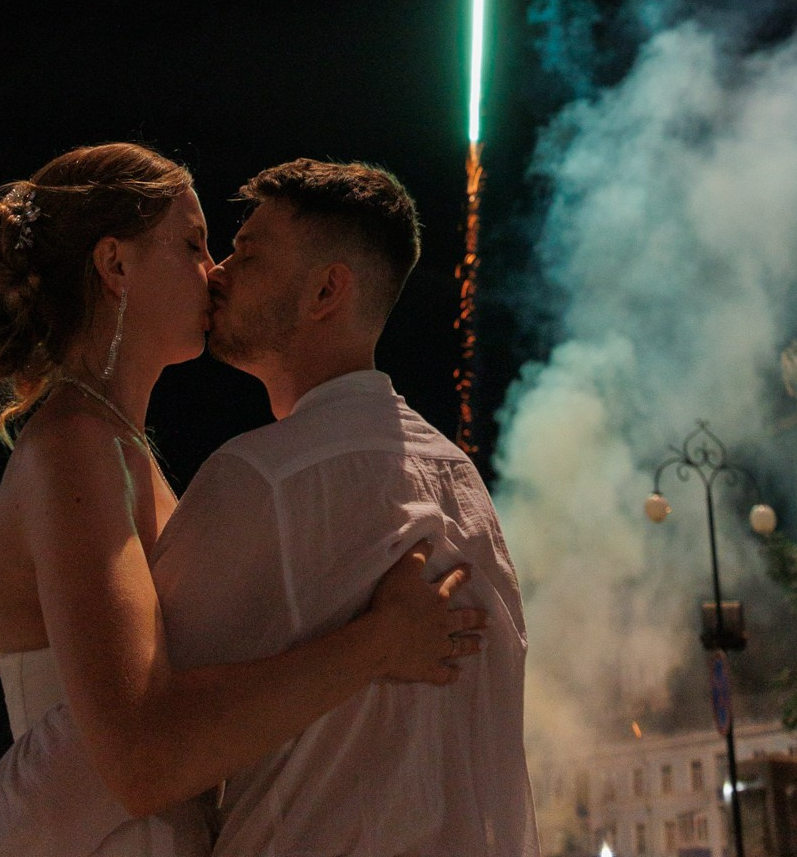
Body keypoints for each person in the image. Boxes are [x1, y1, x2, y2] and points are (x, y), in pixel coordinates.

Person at [0, 142, 486, 857]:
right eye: (192, 244)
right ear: (116, 266)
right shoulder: (73, 444)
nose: (215, 269)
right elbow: (141, 758)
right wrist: (377, 643)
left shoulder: (121, 451)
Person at [151, 159, 540, 857]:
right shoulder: (465, 487)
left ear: (326, 290)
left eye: (249, 253)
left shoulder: (263, 479)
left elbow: (155, 731)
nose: (219, 273)